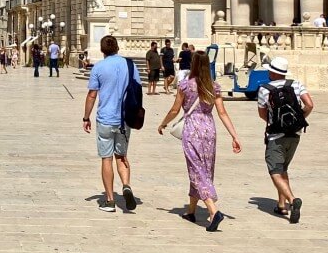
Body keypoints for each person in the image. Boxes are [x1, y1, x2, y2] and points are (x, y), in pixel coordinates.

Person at [158, 51, 242, 231]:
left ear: (194, 64)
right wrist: (234, 135)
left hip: (192, 130)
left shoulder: (185, 85)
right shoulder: (214, 86)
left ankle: (213, 210)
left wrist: (163, 124)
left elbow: (175, 110)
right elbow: (222, 113)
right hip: (209, 130)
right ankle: (191, 210)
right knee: (202, 169)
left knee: (196, 170)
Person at [82, 35, 141, 213]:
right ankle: (126, 185)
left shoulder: (99, 67)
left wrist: (86, 117)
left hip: (105, 119)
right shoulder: (130, 65)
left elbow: (92, 94)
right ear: (117, 47)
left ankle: (109, 200)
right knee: (121, 156)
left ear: (102, 50)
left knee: (106, 158)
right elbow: (137, 88)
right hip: (124, 119)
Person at [257, 57, 314, 224]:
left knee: (274, 170)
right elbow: (310, 104)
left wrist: (277, 123)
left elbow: (262, 114)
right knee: (283, 168)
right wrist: (297, 120)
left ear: (274, 73)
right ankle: (281, 205)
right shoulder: (296, 84)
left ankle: (292, 199)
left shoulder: (264, 89)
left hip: (276, 135)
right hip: (295, 135)